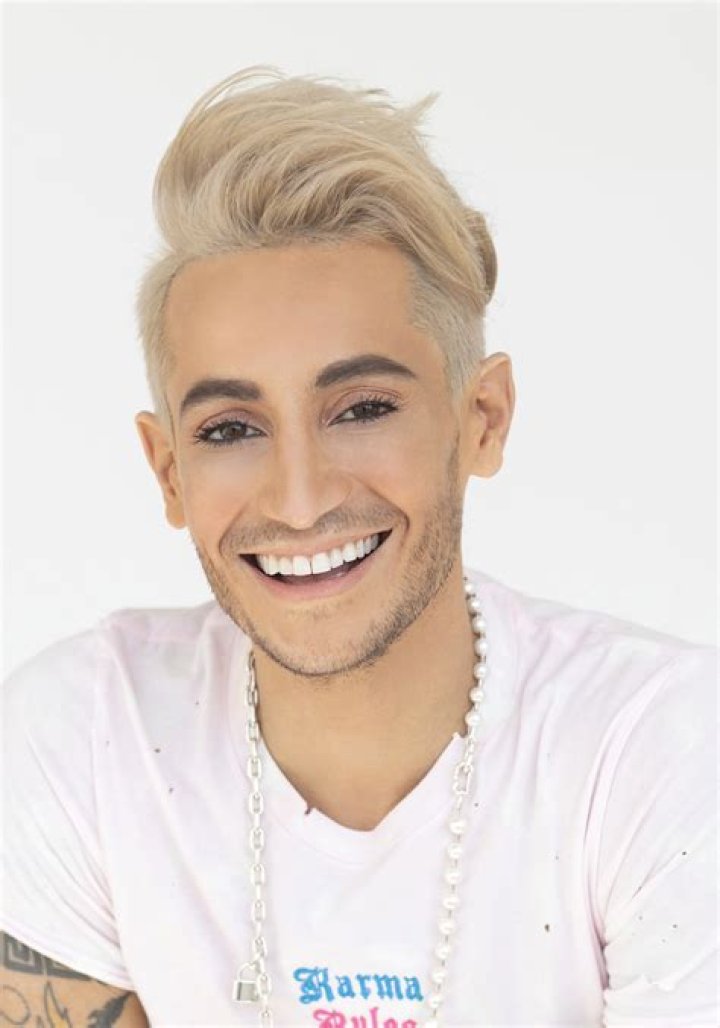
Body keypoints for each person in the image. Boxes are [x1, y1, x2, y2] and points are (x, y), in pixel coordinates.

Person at [1, 66, 716, 1028]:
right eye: (230, 429)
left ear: (482, 418)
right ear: (168, 471)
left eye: (363, 409)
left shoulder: (661, 749)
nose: (300, 501)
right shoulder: (85, 739)